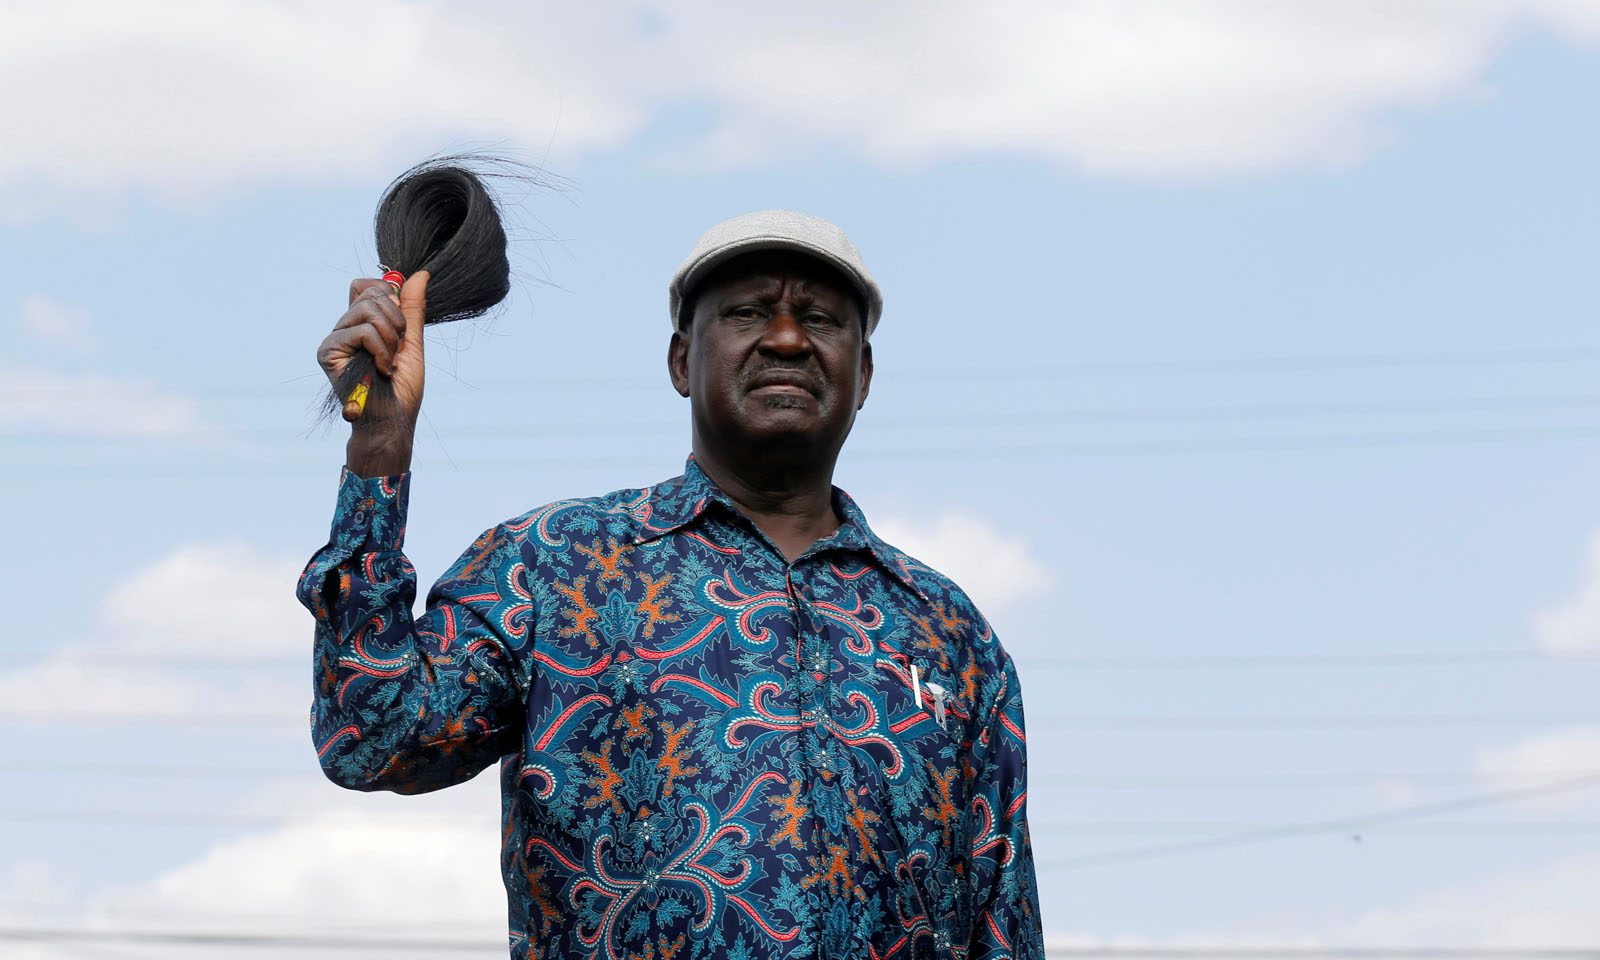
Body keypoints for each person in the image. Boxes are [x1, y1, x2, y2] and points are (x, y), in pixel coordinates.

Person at [298, 210, 1045, 960]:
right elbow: (373, 737)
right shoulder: (553, 565)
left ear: (866, 377)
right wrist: (379, 445)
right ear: (682, 362)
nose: (787, 339)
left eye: (819, 318)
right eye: (748, 312)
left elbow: (1004, 920)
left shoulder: (950, 632)